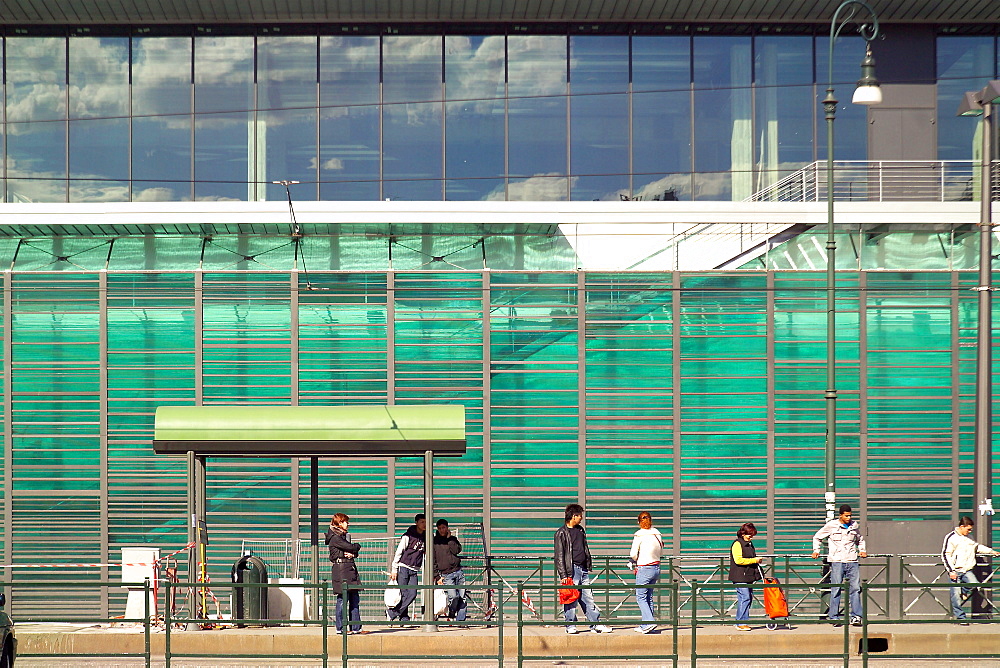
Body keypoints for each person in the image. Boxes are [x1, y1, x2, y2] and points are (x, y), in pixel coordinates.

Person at [554, 503, 612, 634]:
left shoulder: (580, 530)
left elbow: (584, 549)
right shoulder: (561, 533)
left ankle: (595, 624)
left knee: (588, 597)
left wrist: (587, 564)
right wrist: (563, 575)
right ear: (574, 516)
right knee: (570, 598)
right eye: (580, 515)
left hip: (583, 569)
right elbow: (559, 556)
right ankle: (570, 625)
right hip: (571, 570)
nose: (581, 518)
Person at [812, 504, 867, 626]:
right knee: (836, 589)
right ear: (841, 515)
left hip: (852, 561)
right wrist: (816, 550)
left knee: (855, 589)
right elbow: (817, 537)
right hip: (837, 561)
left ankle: (856, 616)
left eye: (850, 515)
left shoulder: (854, 525)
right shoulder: (832, 525)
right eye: (846, 516)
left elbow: (860, 539)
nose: (849, 518)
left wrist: (862, 550)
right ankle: (834, 617)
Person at [941, 516, 1000, 624]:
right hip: (955, 570)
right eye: (968, 529)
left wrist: (991, 552)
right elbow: (946, 554)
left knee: (974, 584)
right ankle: (961, 618)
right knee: (955, 597)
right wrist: (951, 571)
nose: (970, 531)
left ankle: (963, 592)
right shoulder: (951, 537)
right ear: (962, 526)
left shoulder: (970, 537)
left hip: (967, 569)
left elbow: (977, 547)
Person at [325, 513, 366, 634]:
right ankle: (341, 628)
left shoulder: (343, 536)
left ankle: (356, 627)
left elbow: (351, 550)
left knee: (354, 599)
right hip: (342, 571)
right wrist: (356, 547)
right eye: (345, 522)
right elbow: (350, 547)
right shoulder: (335, 537)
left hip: (350, 569)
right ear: (339, 523)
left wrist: (353, 553)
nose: (347, 524)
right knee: (342, 599)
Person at [387, 513, 426, 624]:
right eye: (422, 522)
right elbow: (399, 552)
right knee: (403, 593)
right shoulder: (408, 536)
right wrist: (394, 569)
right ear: (416, 523)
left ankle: (392, 613)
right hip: (403, 567)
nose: (424, 524)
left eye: (425, 522)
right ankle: (404, 618)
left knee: (412, 594)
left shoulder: (426, 537)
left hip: (414, 569)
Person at [629, 511, 663, 634]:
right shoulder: (657, 534)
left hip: (644, 568)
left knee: (640, 597)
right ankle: (645, 625)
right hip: (656, 568)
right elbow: (661, 551)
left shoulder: (639, 535)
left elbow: (633, 554)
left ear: (639, 522)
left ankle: (649, 621)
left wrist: (634, 560)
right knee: (649, 596)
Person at [729, 522, 764, 631]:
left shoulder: (749, 544)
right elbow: (738, 560)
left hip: (748, 575)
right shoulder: (737, 544)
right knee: (745, 597)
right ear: (743, 533)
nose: (751, 537)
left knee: (746, 598)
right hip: (740, 575)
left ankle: (740, 621)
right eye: (750, 535)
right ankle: (741, 622)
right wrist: (755, 560)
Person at [433, 519, 467, 624]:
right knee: (454, 596)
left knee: (462, 597)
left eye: (444, 528)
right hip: (445, 574)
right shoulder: (434, 541)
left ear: (447, 528)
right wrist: (437, 576)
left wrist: (449, 539)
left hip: (458, 571)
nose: (442, 530)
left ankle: (460, 621)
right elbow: (432, 560)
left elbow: (456, 550)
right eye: (440, 528)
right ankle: (452, 610)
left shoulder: (452, 539)